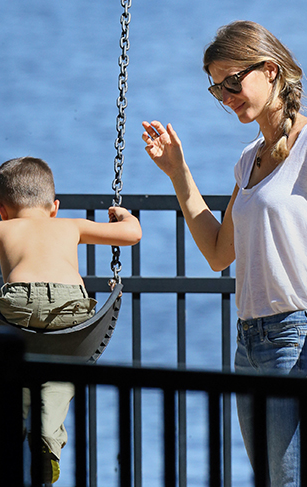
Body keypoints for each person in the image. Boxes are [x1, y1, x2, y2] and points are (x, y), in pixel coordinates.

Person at [142, 20, 307, 487]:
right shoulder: (249, 159)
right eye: (217, 88)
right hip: (250, 343)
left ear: (271, 71)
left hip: (296, 338)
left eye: (233, 81)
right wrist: (177, 172)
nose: (226, 95)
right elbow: (219, 253)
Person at [0, 156, 142, 484]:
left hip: (20, 305)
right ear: (54, 206)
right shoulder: (69, 225)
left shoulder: (1, 227)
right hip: (70, 304)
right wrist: (124, 215)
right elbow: (131, 234)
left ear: (1, 208)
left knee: (17, 369)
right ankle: (46, 438)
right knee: (62, 371)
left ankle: (19, 432)